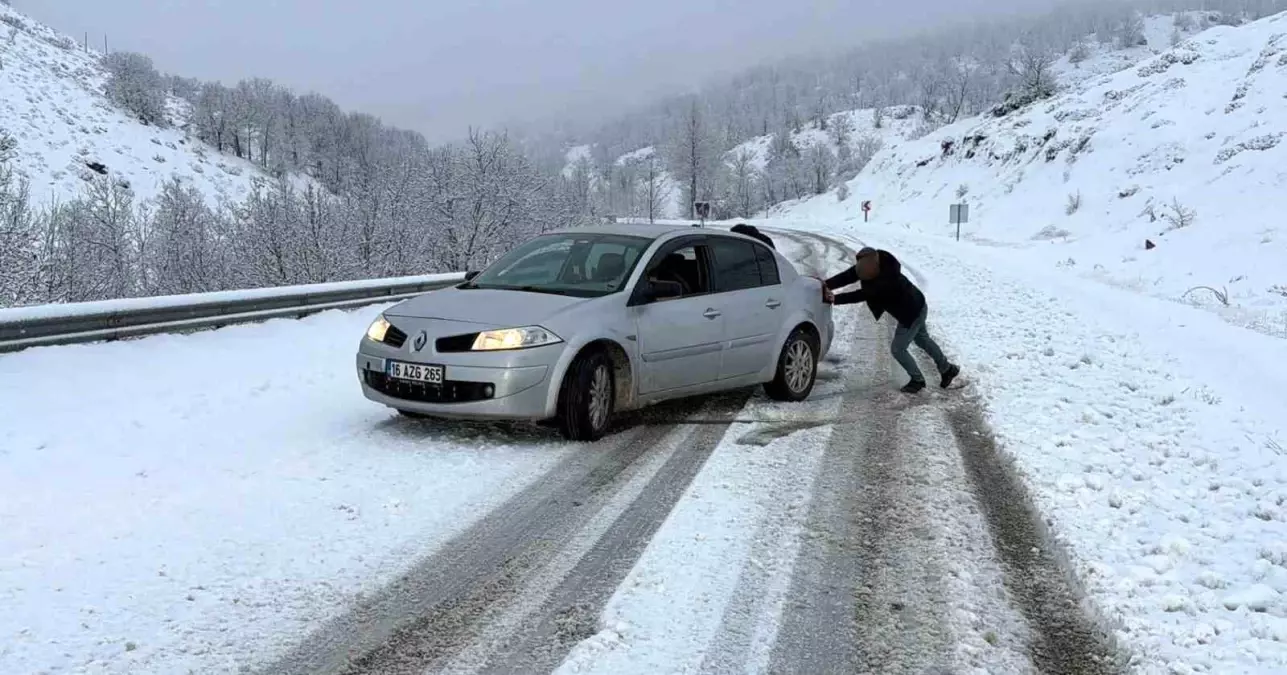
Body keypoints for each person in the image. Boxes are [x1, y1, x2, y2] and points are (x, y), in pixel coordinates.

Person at [825, 247, 960, 393]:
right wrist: (826, 284)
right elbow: (849, 275)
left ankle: (917, 380)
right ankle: (947, 369)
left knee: (898, 349)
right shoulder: (874, 264)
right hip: (917, 304)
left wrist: (835, 298)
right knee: (922, 339)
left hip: (912, 313)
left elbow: (862, 294)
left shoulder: (886, 280)